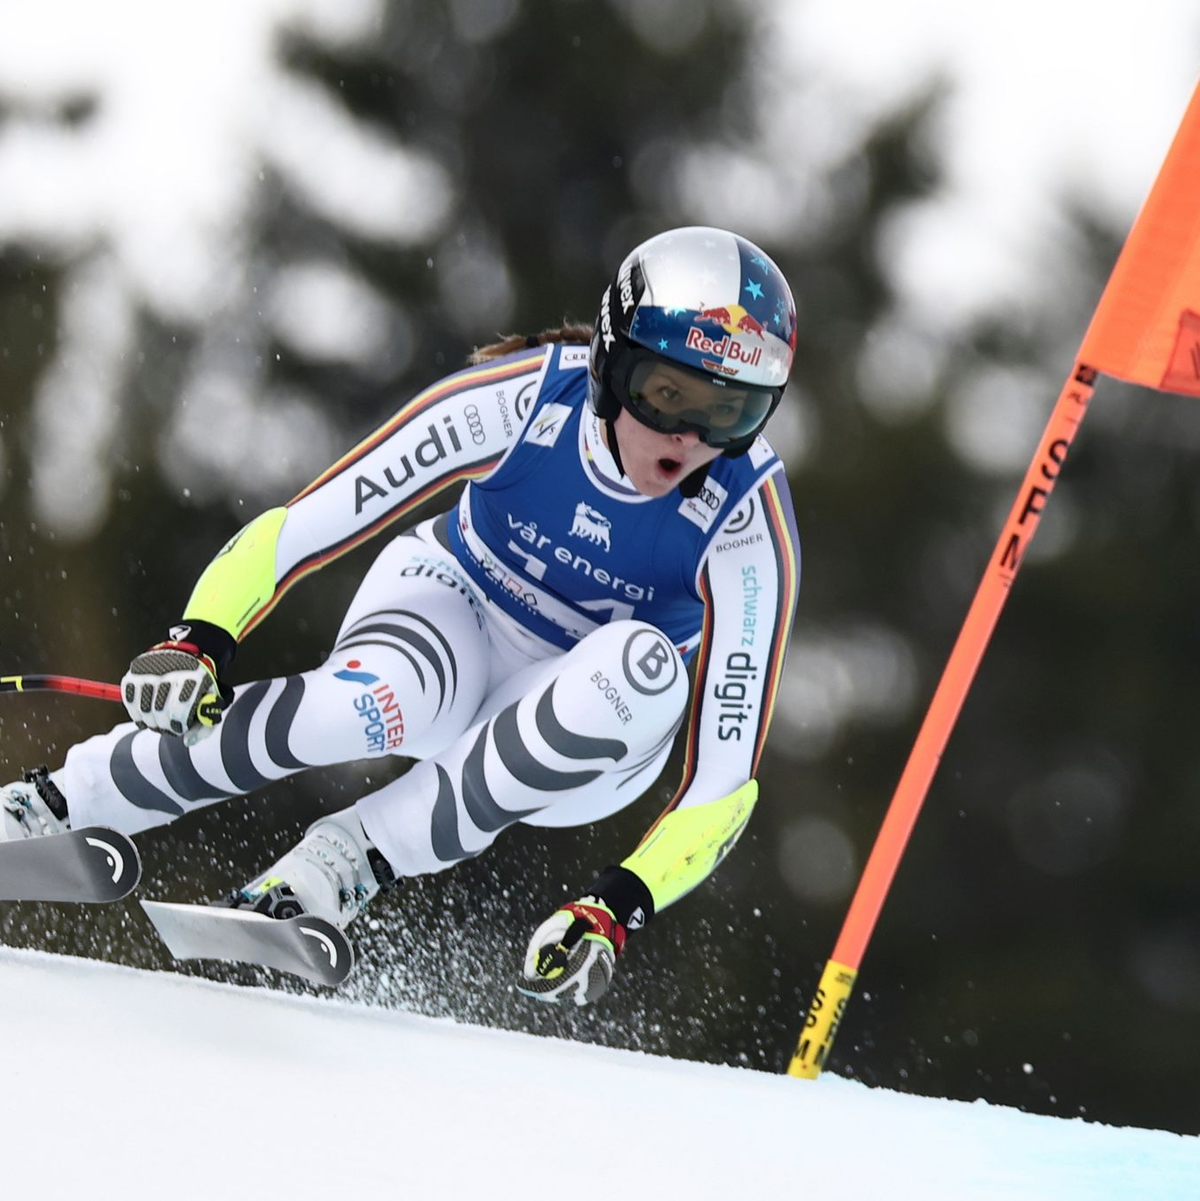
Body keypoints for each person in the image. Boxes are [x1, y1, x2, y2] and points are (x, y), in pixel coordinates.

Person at [0, 226, 801, 1006]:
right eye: (665, 396)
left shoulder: (746, 517)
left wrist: (616, 904)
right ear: (610, 364)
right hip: (456, 608)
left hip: (588, 728)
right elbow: (307, 525)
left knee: (645, 665)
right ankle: (56, 803)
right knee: (369, 704)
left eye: (729, 414)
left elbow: (724, 782)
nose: (687, 439)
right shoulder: (524, 399)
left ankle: (338, 866)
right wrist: (199, 639)